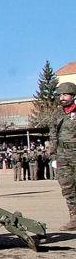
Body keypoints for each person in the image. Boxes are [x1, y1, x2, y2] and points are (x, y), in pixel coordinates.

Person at [48, 81, 76, 231]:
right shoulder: (57, 114)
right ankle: (74, 218)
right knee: (67, 187)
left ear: (73, 95)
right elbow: (53, 135)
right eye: (60, 95)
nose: (62, 98)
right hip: (62, 155)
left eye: (65, 94)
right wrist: (53, 155)